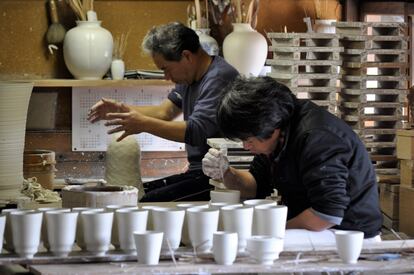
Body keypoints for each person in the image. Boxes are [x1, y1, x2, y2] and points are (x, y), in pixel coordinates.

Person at [202, 76, 382, 239]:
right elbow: (255, 185)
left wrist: (273, 230)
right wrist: (226, 173)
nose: (245, 146)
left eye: (248, 140)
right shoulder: (277, 129)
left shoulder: (318, 138)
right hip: (314, 224)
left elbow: (327, 214)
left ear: (273, 128)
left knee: (259, 244)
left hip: (348, 233)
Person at [88, 22, 239, 202]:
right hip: (200, 172)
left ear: (186, 56)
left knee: (147, 202)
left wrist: (143, 124)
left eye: (165, 69)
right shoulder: (189, 76)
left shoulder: (219, 78)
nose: (166, 77)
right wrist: (122, 110)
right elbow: (164, 112)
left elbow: (196, 131)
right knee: (137, 191)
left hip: (222, 176)